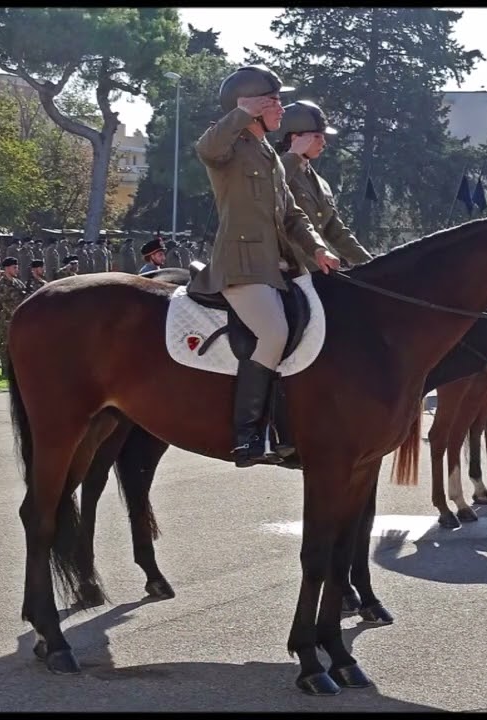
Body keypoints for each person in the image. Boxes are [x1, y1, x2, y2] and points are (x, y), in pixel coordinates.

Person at [191, 64, 339, 468]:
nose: (281, 109)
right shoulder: (230, 146)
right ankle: (248, 434)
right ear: (252, 105)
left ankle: (290, 430)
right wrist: (241, 112)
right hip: (241, 266)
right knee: (273, 333)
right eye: (274, 101)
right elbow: (206, 149)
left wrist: (319, 248)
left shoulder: (269, 154)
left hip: (278, 267)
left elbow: (291, 215)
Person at [278, 100, 373, 269]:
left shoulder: (321, 183)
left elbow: (336, 231)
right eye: (316, 136)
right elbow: (269, 186)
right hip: (283, 270)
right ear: (295, 138)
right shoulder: (273, 171)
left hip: (316, 269)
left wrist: (371, 264)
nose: (323, 142)